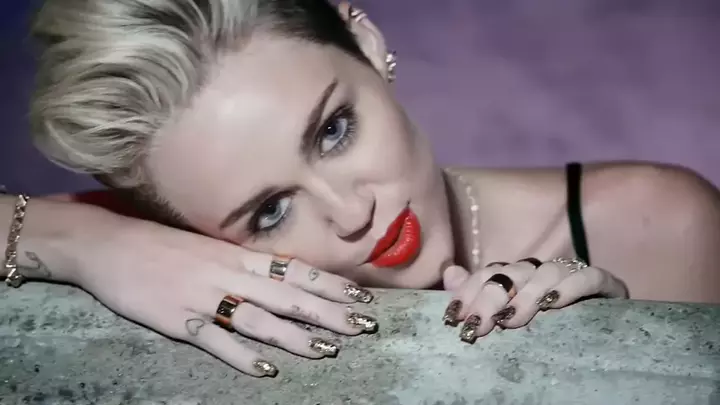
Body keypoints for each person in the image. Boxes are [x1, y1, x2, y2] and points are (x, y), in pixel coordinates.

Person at [3, 0, 720, 378]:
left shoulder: (656, 222)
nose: (353, 213)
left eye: (334, 131)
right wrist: (91, 240)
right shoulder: (164, 252)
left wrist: (621, 356)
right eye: (271, 211)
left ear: (369, 44)